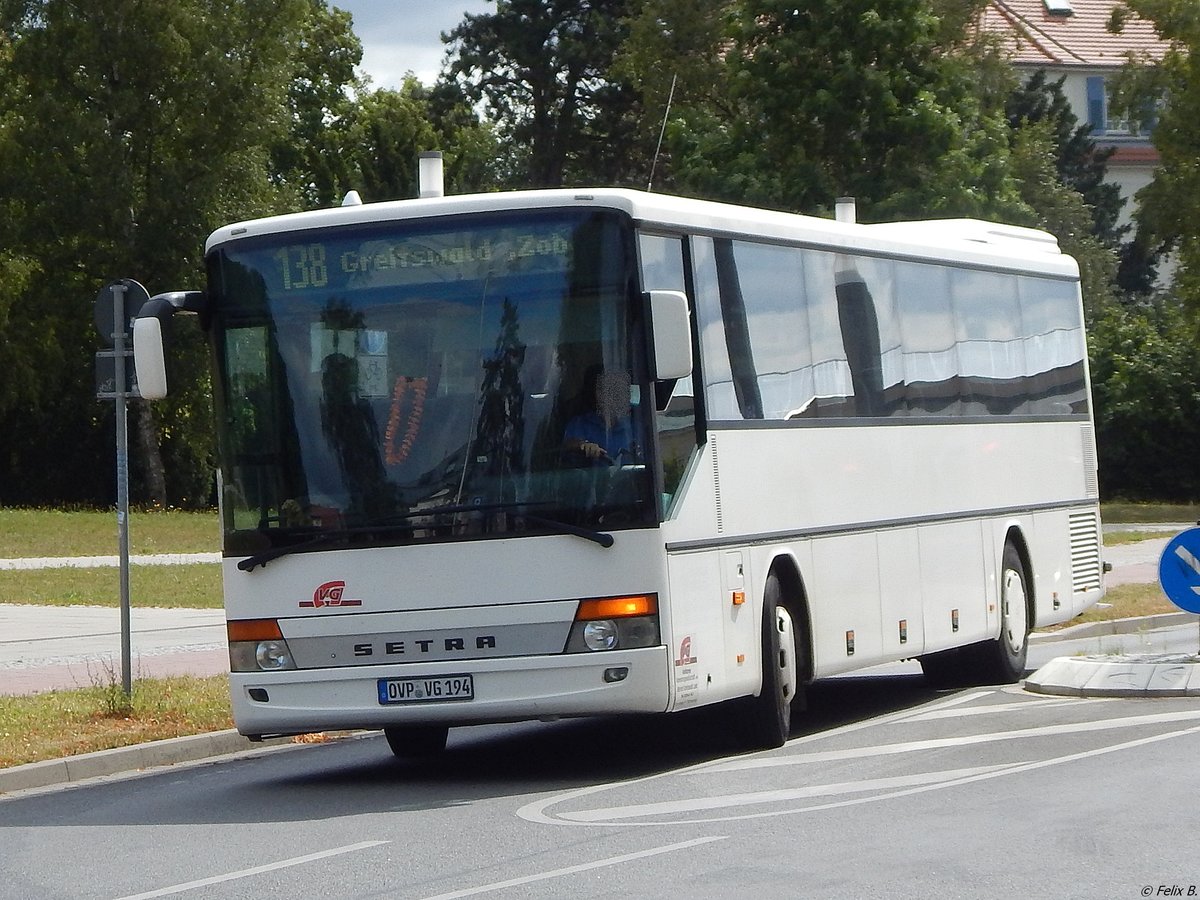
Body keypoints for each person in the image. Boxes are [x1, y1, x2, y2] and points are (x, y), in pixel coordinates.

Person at [563, 367, 641, 465]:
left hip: (633, 479)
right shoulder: (579, 424)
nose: (613, 396)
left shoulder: (639, 425)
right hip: (591, 479)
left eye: (619, 390)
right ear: (597, 394)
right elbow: (566, 447)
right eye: (606, 390)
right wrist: (583, 446)